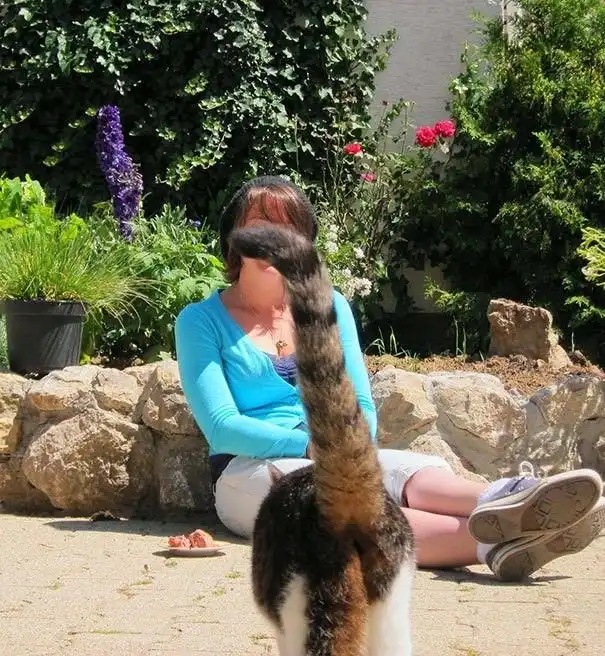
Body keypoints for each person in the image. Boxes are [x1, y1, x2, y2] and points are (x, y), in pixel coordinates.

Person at [175, 175, 604, 581]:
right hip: (248, 470)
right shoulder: (200, 321)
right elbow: (222, 426)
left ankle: (515, 499)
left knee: (411, 472)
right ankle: (497, 543)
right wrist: (308, 446)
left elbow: (360, 403)